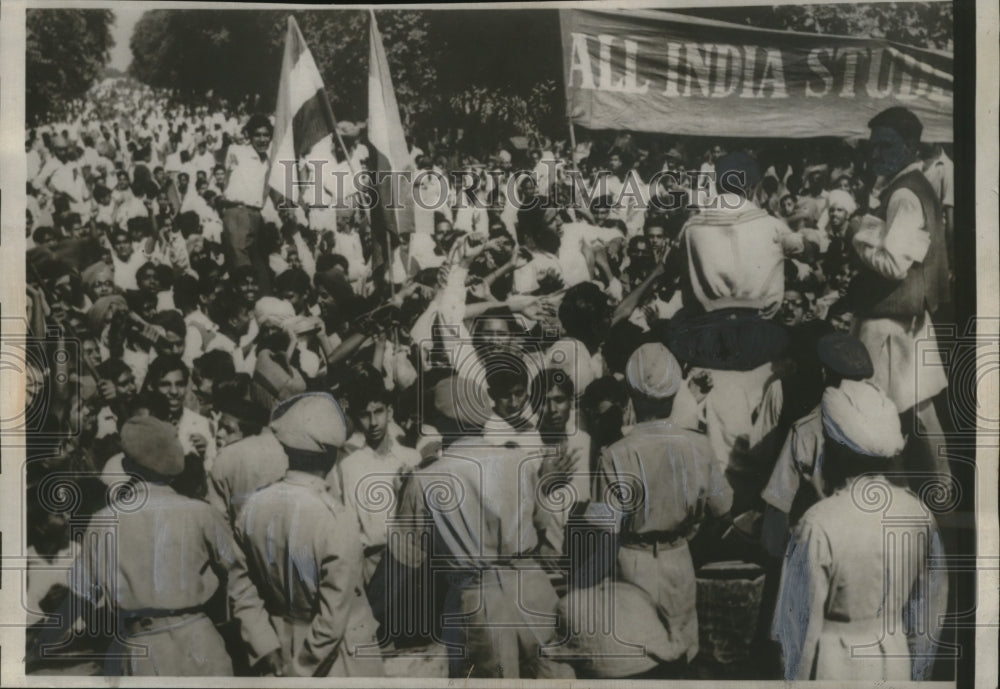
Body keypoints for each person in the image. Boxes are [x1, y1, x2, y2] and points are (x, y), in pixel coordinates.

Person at [70, 415, 282, 676]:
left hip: (140, 648)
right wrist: (265, 644)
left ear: (126, 465)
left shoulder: (103, 522)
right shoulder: (200, 514)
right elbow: (240, 582)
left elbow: (80, 596)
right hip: (200, 645)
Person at [772, 379, 947, 681]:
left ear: (838, 450)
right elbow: (929, 617)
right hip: (895, 661)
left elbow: (796, 635)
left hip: (833, 665)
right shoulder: (918, 515)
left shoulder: (818, 523)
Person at [594, 343, 733, 677]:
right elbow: (723, 511)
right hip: (679, 560)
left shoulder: (615, 454)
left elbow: (603, 531)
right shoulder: (699, 446)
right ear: (674, 394)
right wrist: (690, 542)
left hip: (631, 562)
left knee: (639, 660)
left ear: (631, 394)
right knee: (681, 659)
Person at [236, 393, 385, 677]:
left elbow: (241, 588)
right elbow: (332, 617)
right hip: (334, 660)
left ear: (286, 449)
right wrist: (300, 671)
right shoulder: (335, 518)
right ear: (331, 454)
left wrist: (264, 644)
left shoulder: (252, 507)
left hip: (276, 645)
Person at [850, 106, 951, 485]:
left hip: (889, 327)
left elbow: (893, 264)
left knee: (882, 417)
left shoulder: (904, 196)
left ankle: (895, 496)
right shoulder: (914, 185)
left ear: (910, 147)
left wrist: (857, 234)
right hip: (909, 320)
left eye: (885, 146)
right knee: (920, 415)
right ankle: (941, 495)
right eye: (872, 147)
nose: (875, 154)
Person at [219, 114, 274, 294]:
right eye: (257, 135)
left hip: (256, 215)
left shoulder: (268, 161)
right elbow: (227, 176)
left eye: (266, 135)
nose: (262, 139)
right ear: (249, 137)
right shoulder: (238, 151)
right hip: (238, 212)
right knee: (240, 265)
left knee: (259, 265)